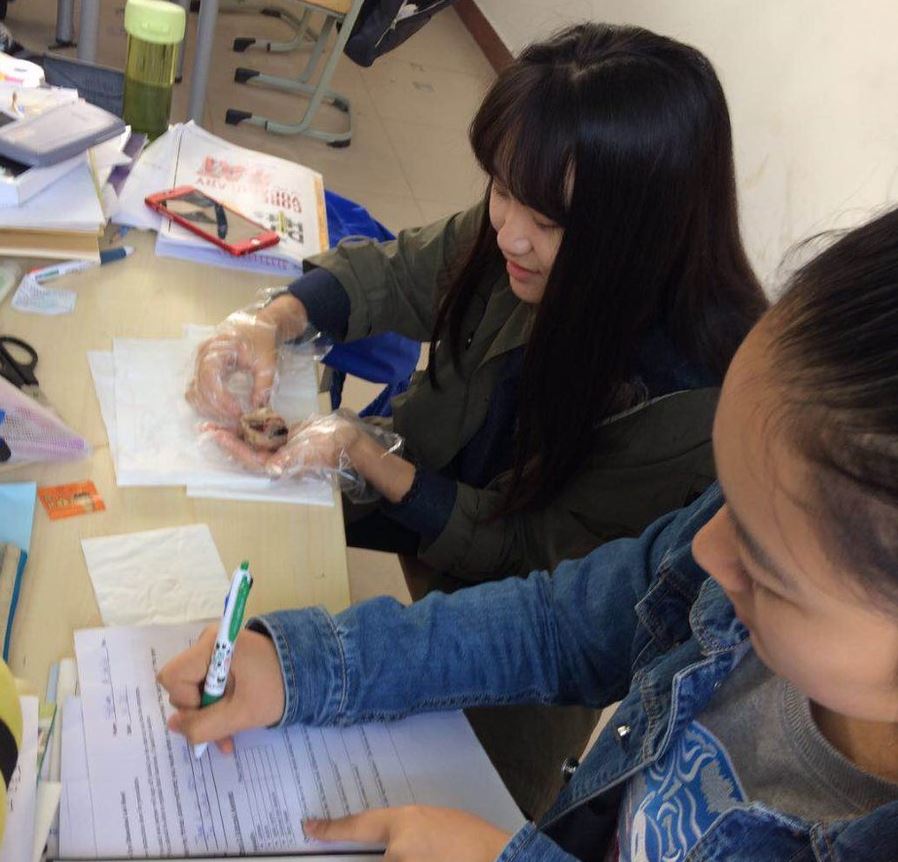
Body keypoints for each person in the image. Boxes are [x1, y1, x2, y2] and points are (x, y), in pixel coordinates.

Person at [160, 206, 898, 860]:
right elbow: (556, 627)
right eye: (719, 501)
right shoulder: (745, 551)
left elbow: (523, 555)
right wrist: (303, 667)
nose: (702, 551)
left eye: (767, 571)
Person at [187, 24, 766, 814]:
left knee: (330, 798)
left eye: (549, 221)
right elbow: (401, 271)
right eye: (500, 187)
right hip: (413, 526)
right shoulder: (523, 222)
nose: (509, 232)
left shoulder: (688, 406)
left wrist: (371, 456)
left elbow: (546, 591)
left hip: (507, 658)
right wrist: (274, 319)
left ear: (639, 232)